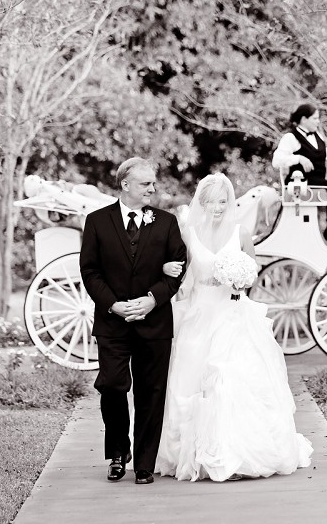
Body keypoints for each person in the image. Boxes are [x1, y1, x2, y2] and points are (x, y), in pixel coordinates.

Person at [155, 173, 313, 482]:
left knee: (232, 379)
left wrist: (238, 278)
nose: (217, 207)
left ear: (230, 202)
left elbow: (252, 272)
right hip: (199, 315)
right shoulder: (189, 233)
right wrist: (174, 278)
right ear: (202, 203)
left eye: (223, 201)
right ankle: (191, 454)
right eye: (211, 201)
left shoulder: (241, 233)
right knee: (189, 380)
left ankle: (237, 455)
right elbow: (182, 271)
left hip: (232, 314)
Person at [80, 157, 187, 485]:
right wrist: (114, 305)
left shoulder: (167, 222)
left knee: (151, 391)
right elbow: (90, 271)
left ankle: (144, 462)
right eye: (145, 184)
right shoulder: (97, 221)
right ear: (125, 185)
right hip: (112, 322)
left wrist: (152, 298)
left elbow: (178, 266)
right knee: (112, 385)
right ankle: (117, 452)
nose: (152, 189)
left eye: (153, 183)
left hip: (154, 322)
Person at [272, 104, 327, 245]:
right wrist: (298, 158)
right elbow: (276, 161)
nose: (318, 122)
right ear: (304, 119)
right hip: (300, 182)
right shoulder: (291, 137)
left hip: (318, 180)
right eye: (315, 118)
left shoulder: (317, 136)